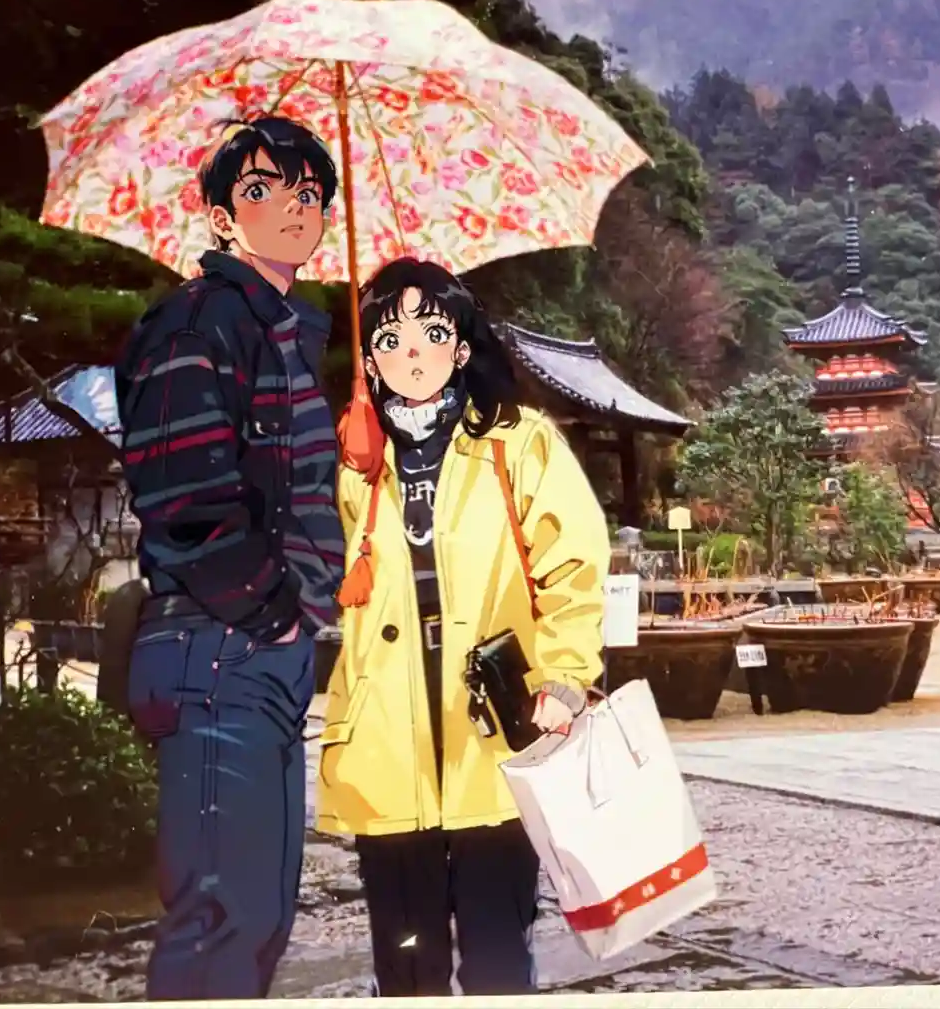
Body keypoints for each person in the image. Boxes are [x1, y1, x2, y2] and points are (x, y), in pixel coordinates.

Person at [314, 257, 609, 997]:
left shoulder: (518, 443)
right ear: (368, 361)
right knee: (405, 964)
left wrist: (565, 676)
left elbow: (572, 566)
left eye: (432, 331)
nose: (411, 351)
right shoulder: (353, 464)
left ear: (463, 347)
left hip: (496, 734)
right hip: (388, 742)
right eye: (389, 338)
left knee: (497, 956)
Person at [116, 115, 346, 1000]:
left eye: (308, 192)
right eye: (260, 190)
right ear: (219, 217)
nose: (293, 206)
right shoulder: (196, 322)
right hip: (219, 645)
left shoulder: (281, 331)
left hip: (259, 651)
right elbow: (185, 491)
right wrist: (272, 609)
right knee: (222, 918)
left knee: (258, 916)